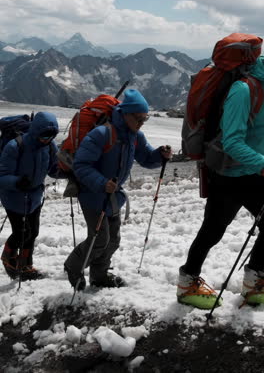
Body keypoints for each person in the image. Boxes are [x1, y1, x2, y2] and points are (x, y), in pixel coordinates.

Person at [177, 56, 264, 309]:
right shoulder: (243, 89)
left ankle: (255, 279)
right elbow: (232, 141)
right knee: (213, 230)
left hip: (252, 174)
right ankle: (187, 283)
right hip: (228, 175)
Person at [64, 89, 172, 290]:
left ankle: (99, 276)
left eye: (145, 119)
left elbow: (147, 158)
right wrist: (101, 183)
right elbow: (81, 165)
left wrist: (160, 155)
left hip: (112, 195)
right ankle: (73, 266)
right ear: (125, 114)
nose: (141, 123)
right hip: (93, 195)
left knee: (112, 240)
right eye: (138, 118)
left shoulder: (135, 136)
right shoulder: (102, 134)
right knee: (99, 240)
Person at [0, 111, 60, 281]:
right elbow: (1, 176)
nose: (46, 139)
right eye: (43, 136)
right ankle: (8, 257)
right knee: (21, 233)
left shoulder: (49, 146)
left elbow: (54, 169)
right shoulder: (15, 146)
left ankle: (26, 266)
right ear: (35, 131)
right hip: (13, 197)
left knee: (33, 232)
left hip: (34, 195)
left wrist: (68, 172)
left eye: (50, 136)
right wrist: (17, 182)